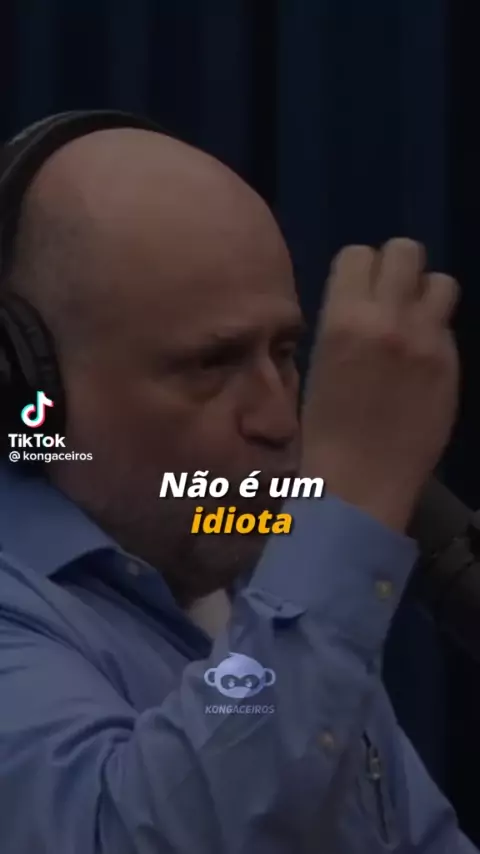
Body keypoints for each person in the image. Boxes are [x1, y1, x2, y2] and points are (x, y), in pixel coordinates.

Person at [0, 117, 474, 854]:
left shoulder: (269, 583)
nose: (281, 419)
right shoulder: (19, 610)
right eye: (211, 365)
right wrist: (349, 501)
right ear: (30, 388)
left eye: (284, 352)